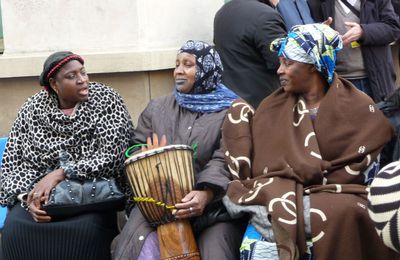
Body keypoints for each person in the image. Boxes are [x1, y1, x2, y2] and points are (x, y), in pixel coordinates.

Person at [222, 24, 396, 259]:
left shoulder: (359, 107)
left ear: (313, 65)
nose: (279, 71)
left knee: (348, 214)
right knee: (257, 248)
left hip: (345, 195)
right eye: (280, 62)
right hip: (279, 195)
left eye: (288, 63)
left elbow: (367, 178)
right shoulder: (270, 108)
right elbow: (262, 173)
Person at [113, 40, 245, 260]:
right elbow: (134, 147)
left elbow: (227, 157)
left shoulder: (234, 110)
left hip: (215, 208)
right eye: (176, 65)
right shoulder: (158, 108)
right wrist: (147, 159)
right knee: (139, 248)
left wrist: (206, 193)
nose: (178, 71)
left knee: (216, 252)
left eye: (188, 64)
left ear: (206, 69)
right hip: (157, 204)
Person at [0, 51, 133, 260]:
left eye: (83, 72)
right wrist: (29, 198)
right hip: (42, 197)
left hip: (92, 193)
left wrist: (62, 173)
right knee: (15, 229)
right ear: (54, 84)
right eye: (71, 76)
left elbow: (113, 156)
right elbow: (14, 163)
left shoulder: (107, 100)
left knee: (86, 231)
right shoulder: (32, 110)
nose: (82, 80)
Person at [307, 0, 400, 102]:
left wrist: (363, 32)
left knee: (377, 116)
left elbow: (394, 28)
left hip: (374, 80)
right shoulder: (316, 3)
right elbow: (308, 40)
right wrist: (320, 32)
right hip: (337, 82)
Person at [213, 0, 287, 108]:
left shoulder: (222, 11)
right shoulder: (266, 15)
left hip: (229, 101)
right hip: (261, 104)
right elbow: (282, 62)